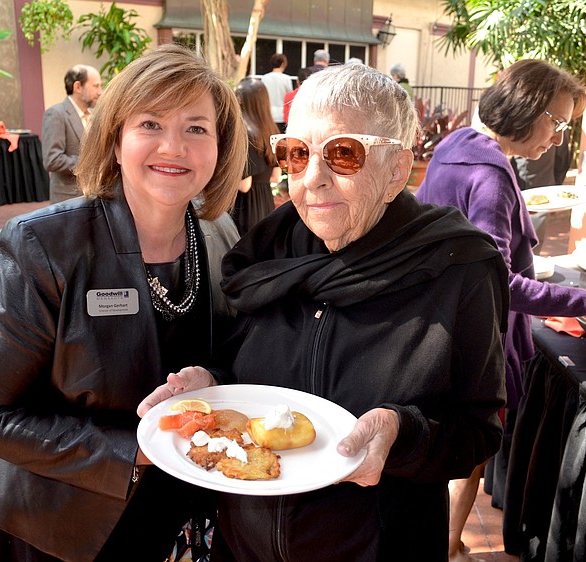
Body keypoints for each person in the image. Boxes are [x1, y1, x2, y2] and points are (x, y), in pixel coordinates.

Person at [140, 63, 512, 561]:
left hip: (376, 545)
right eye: (296, 154)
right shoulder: (266, 253)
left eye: (342, 154)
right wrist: (212, 383)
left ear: (396, 170)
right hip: (244, 542)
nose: (313, 179)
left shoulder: (458, 267)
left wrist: (404, 436)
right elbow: (241, 364)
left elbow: (479, 428)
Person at [0, 44, 248, 562]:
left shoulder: (221, 234)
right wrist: (135, 449)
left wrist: (216, 381)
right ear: (115, 140)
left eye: (196, 128)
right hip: (61, 525)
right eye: (150, 124)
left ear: (220, 147)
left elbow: (237, 351)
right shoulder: (42, 246)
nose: (173, 147)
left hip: (178, 513)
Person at [415, 59, 586, 562]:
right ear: (525, 108)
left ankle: (438, 539)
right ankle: (447, 547)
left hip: (435, 323)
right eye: (557, 123)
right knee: (468, 455)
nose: (558, 139)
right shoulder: (491, 175)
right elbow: (498, 284)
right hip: (473, 340)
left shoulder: (455, 145)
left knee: (442, 450)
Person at [42, 64, 103, 203]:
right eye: (96, 86)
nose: (100, 91)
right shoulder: (56, 114)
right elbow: (53, 160)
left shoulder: (95, 115)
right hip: (69, 200)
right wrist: (90, 163)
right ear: (77, 87)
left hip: (96, 197)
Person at [233, 77, 280, 235]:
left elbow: (244, 185)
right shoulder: (272, 131)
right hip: (266, 204)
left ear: (240, 100)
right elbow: (275, 177)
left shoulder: (244, 134)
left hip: (245, 209)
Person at [512, 128, 571, 253]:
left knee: (527, 251)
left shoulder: (559, 125)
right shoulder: (559, 122)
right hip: (532, 192)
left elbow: (562, 159)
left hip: (539, 193)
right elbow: (562, 160)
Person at [259, 53, 294, 133]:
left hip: (268, 114)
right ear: (283, 63)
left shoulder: (265, 78)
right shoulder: (286, 78)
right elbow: (289, 97)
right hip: (282, 114)